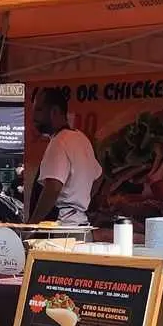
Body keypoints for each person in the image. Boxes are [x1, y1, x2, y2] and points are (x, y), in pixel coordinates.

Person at [30, 86, 102, 226]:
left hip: (60, 226)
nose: (34, 117)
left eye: (39, 110)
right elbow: (98, 178)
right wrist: (79, 204)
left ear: (54, 111)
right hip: (80, 222)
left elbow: (53, 187)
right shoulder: (81, 138)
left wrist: (33, 223)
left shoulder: (59, 142)